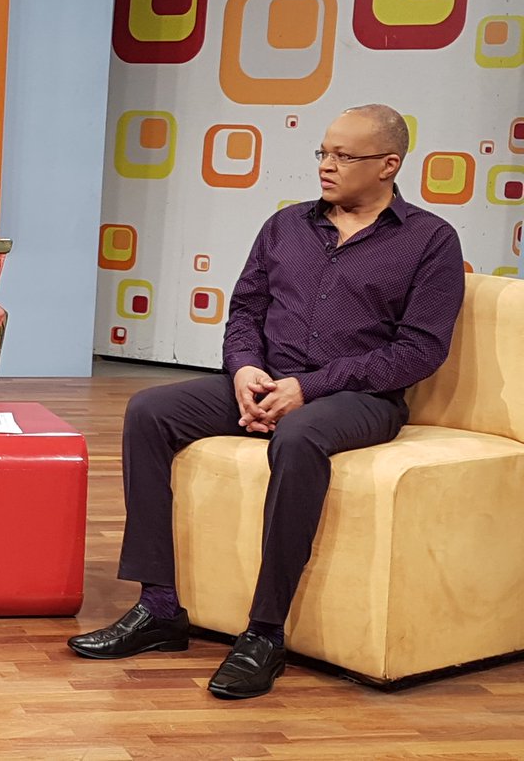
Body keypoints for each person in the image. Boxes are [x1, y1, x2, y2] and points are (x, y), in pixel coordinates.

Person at [68, 104, 465, 699]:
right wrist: (245, 370)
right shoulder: (285, 226)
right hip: (266, 380)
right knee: (150, 410)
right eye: (323, 152)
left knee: (299, 436)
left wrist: (310, 388)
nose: (327, 166)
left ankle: (264, 632)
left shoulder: (430, 240)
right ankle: (159, 608)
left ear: (388, 165)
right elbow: (246, 311)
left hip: (360, 397)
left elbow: (419, 352)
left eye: (344, 156)